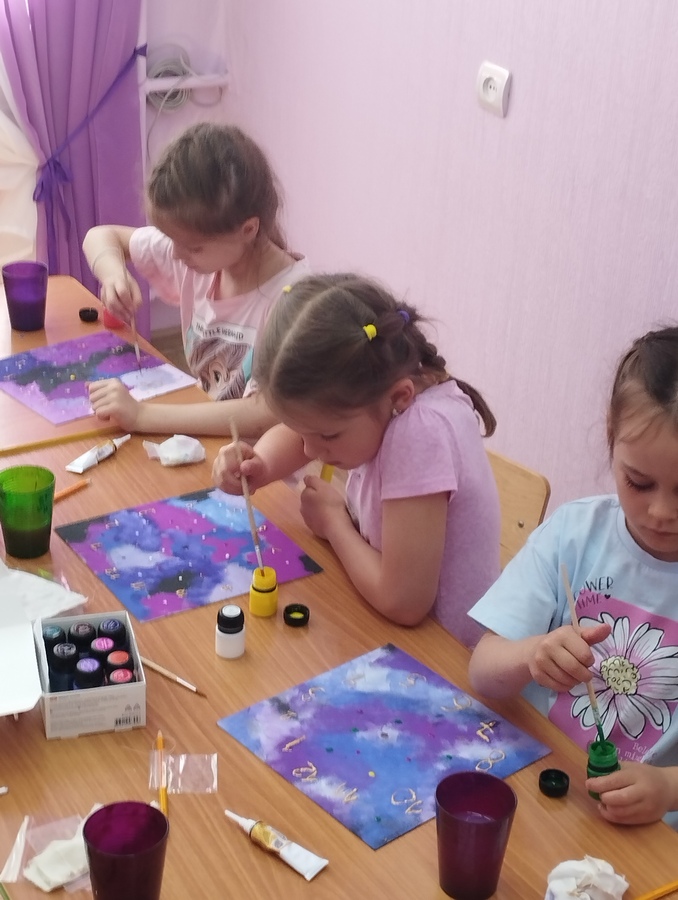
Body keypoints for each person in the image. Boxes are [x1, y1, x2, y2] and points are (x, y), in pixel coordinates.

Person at [212, 273, 501, 645]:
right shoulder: (383, 395)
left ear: (399, 397)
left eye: (328, 436)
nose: (309, 451)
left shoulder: (419, 432)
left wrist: (334, 523)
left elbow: (404, 602)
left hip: (444, 656)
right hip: (386, 627)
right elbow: (303, 430)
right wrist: (260, 465)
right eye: (302, 431)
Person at [468, 326, 678, 828]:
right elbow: (482, 671)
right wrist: (531, 655)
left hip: (643, 833)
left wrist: (669, 788)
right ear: (610, 439)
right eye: (638, 482)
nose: (661, 512)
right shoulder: (574, 534)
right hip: (536, 788)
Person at [82, 122, 309, 439]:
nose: (176, 254)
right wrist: (113, 274)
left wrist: (142, 415)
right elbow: (100, 237)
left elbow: (262, 414)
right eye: (173, 240)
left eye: (192, 247)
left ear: (248, 230)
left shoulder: (295, 299)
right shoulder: (202, 255)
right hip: (207, 440)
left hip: (254, 461)